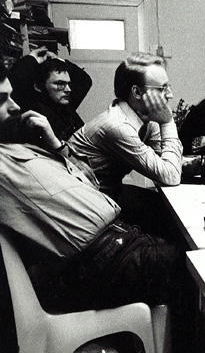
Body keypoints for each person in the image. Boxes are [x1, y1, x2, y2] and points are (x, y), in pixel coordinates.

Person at [0, 61, 180, 311]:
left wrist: (56, 145)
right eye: (2, 99)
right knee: (201, 269)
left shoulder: (18, 143)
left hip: (117, 239)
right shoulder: (5, 161)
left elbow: (88, 181)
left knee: (188, 248)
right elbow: (169, 174)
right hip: (103, 257)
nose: (16, 106)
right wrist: (167, 122)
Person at [67, 52, 182, 203]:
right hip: (83, 200)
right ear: (136, 92)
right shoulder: (117, 125)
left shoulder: (144, 117)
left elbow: (166, 162)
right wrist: (167, 123)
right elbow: (171, 175)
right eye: (162, 88)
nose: (170, 95)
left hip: (106, 192)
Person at [8, 46, 92, 141]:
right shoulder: (35, 108)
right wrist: (32, 59)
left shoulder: (64, 106)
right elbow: (15, 82)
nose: (68, 89)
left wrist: (58, 60)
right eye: (60, 84)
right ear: (38, 87)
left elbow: (84, 81)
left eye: (69, 84)